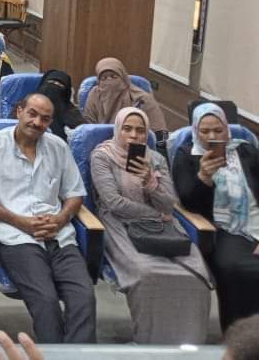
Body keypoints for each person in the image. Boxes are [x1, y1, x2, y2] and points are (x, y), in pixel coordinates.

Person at [0, 93, 96, 344]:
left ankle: (78, 354)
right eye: (32, 114)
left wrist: (61, 219)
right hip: (17, 237)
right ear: (19, 111)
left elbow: (75, 193)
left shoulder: (58, 146)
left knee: (84, 297)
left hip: (60, 235)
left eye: (45, 119)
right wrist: (19, 221)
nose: (37, 122)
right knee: (45, 301)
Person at [89, 107, 213, 344]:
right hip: (120, 224)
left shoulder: (155, 159)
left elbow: (168, 203)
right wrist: (155, 213)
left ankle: (189, 344)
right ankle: (149, 343)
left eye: (140, 130)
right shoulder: (102, 157)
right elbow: (114, 203)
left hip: (164, 227)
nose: (133, 136)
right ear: (118, 130)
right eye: (127, 129)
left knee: (196, 274)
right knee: (146, 273)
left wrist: (149, 181)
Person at [173, 103, 259, 331]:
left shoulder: (245, 150)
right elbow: (188, 203)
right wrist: (203, 177)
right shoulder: (187, 155)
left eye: (218, 130)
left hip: (256, 220)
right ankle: (239, 335)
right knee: (234, 268)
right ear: (195, 130)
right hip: (220, 228)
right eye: (205, 131)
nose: (212, 136)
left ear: (227, 130)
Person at [84, 57, 167, 139]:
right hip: (100, 142)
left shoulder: (142, 99)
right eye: (104, 78)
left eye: (113, 76)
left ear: (123, 78)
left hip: (136, 142)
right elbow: (87, 127)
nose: (109, 81)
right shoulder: (94, 95)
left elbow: (159, 131)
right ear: (99, 82)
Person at [35, 69, 83, 141]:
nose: (53, 87)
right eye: (50, 82)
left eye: (59, 85)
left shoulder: (74, 115)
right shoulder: (27, 107)